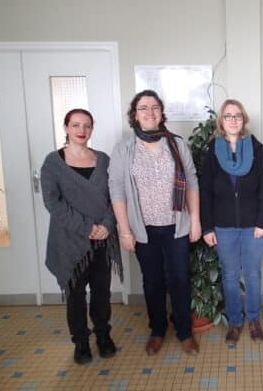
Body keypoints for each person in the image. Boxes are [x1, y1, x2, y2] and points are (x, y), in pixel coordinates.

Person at [108, 90, 201, 356]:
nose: (149, 112)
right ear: (135, 115)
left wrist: (195, 220)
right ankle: (157, 330)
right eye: (143, 108)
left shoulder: (177, 144)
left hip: (176, 225)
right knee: (152, 281)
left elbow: (192, 181)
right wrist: (124, 230)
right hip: (143, 229)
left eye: (155, 107)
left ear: (161, 113)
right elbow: (116, 189)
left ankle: (185, 332)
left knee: (180, 279)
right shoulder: (124, 149)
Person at [41, 108, 123, 365]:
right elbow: (52, 202)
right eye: (75, 125)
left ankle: (103, 335)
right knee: (75, 295)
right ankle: (81, 342)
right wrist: (87, 227)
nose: (81, 130)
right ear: (66, 128)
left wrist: (107, 225)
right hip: (70, 241)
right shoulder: (53, 162)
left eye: (87, 125)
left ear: (92, 128)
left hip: (102, 240)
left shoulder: (104, 160)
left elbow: (115, 196)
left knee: (101, 291)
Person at [200, 99, 263, 345]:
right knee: (230, 275)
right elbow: (205, 191)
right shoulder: (213, 150)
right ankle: (234, 321)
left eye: (237, 115)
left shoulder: (257, 149)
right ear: (221, 121)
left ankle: (253, 319)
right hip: (223, 226)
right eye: (228, 116)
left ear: (244, 119)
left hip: (253, 225)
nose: (233, 120)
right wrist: (207, 227)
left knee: (252, 274)